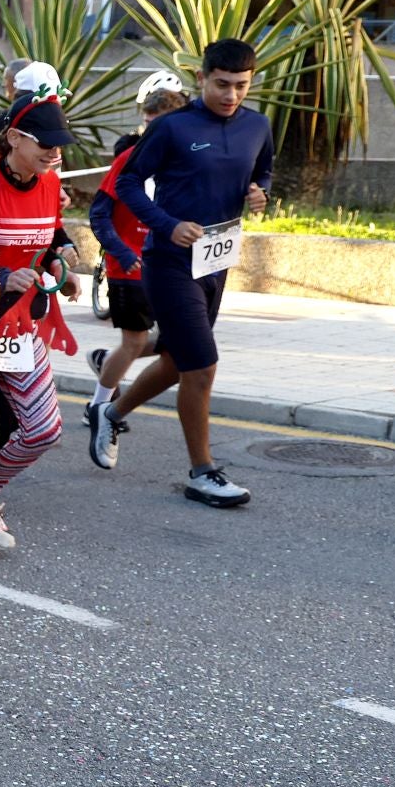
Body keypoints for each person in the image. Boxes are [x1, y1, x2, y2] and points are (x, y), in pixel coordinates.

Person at [92, 40, 272, 506]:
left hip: (217, 260)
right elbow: (128, 182)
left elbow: (265, 172)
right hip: (169, 262)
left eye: (241, 85)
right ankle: (202, 472)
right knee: (203, 366)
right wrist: (167, 225)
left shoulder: (257, 126)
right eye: (222, 84)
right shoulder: (173, 127)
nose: (231, 94)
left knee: (177, 360)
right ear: (202, 78)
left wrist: (260, 192)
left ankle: (111, 412)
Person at [0, 87, 80, 556]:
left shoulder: (49, 183)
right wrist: (3, 276)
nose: (54, 150)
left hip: (21, 325)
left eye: (58, 141)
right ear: (12, 138)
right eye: (44, 140)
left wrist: (60, 265)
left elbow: (46, 241)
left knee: (43, 428)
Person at [83, 87, 188, 464]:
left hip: (169, 265)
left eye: (158, 124)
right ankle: (99, 407)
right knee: (134, 342)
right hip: (129, 267)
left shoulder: (185, 160)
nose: (152, 132)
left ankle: (108, 364)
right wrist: (122, 252)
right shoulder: (130, 158)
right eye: (147, 123)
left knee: (178, 343)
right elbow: (99, 213)